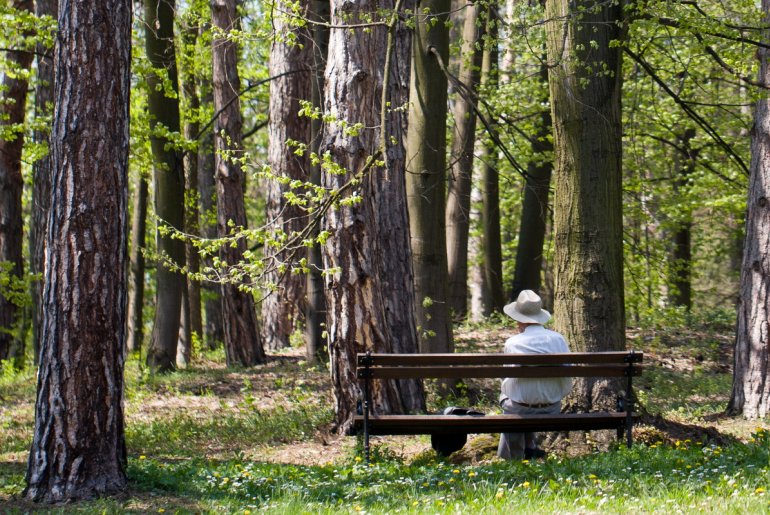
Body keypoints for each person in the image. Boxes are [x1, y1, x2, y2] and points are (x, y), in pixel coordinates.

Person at [497, 289, 572, 460]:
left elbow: (508, 377)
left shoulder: (513, 343)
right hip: (552, 407)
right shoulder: (558, 339)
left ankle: (510, 458)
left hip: (520, 409)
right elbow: (568, 372)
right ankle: (530, 446)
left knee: (509, 399)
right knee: (519, 394)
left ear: (519, 320)